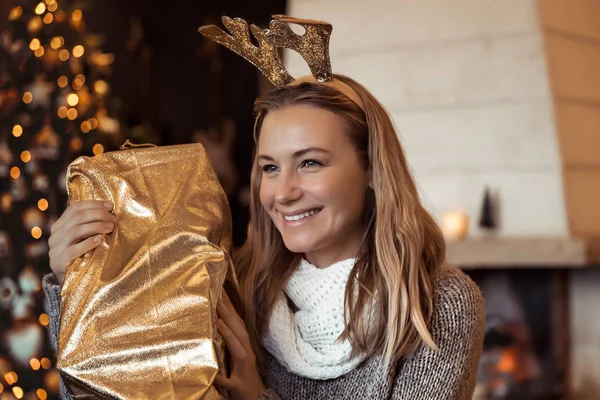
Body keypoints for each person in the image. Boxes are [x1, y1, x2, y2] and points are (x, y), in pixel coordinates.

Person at [43, 15, 485, 400]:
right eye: (270, 168)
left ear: (372, 168)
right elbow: (101, 393)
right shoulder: (234, 284)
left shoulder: (436, 304)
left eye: (310, 163)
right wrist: (80, 288)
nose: (283, 192)